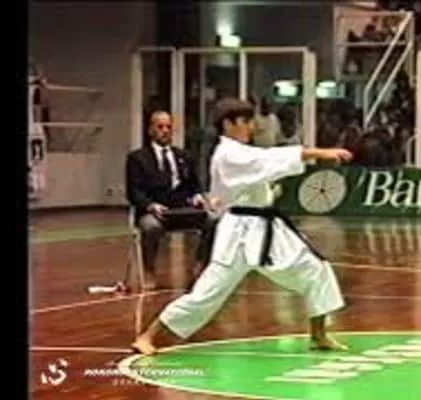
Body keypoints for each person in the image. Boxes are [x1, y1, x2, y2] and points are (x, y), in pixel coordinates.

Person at [131, 98, 353, 355]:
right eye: (245, 121)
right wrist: (320, 153)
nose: (251, 127)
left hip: (266, 228)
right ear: (228, 124)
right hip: (238, 233)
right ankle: (147, 336)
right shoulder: (228, 153)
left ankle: (319, 334)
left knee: (316, 269)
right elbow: (268, 159)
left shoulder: (241, 152)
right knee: (207, 293)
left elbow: (262, 168)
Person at [125, 111, 210, 290]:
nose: (165, 131)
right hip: (155, 212)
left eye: (168, 127)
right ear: (150, 130)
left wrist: (197, 196)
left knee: (212, 220)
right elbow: (134, 192)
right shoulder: (137, 158)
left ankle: (200, 266)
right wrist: (150, 205)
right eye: (160, 127)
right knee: (151, 227)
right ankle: (149, 270)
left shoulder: (184, 156)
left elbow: (194, 185)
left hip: (182, 211)